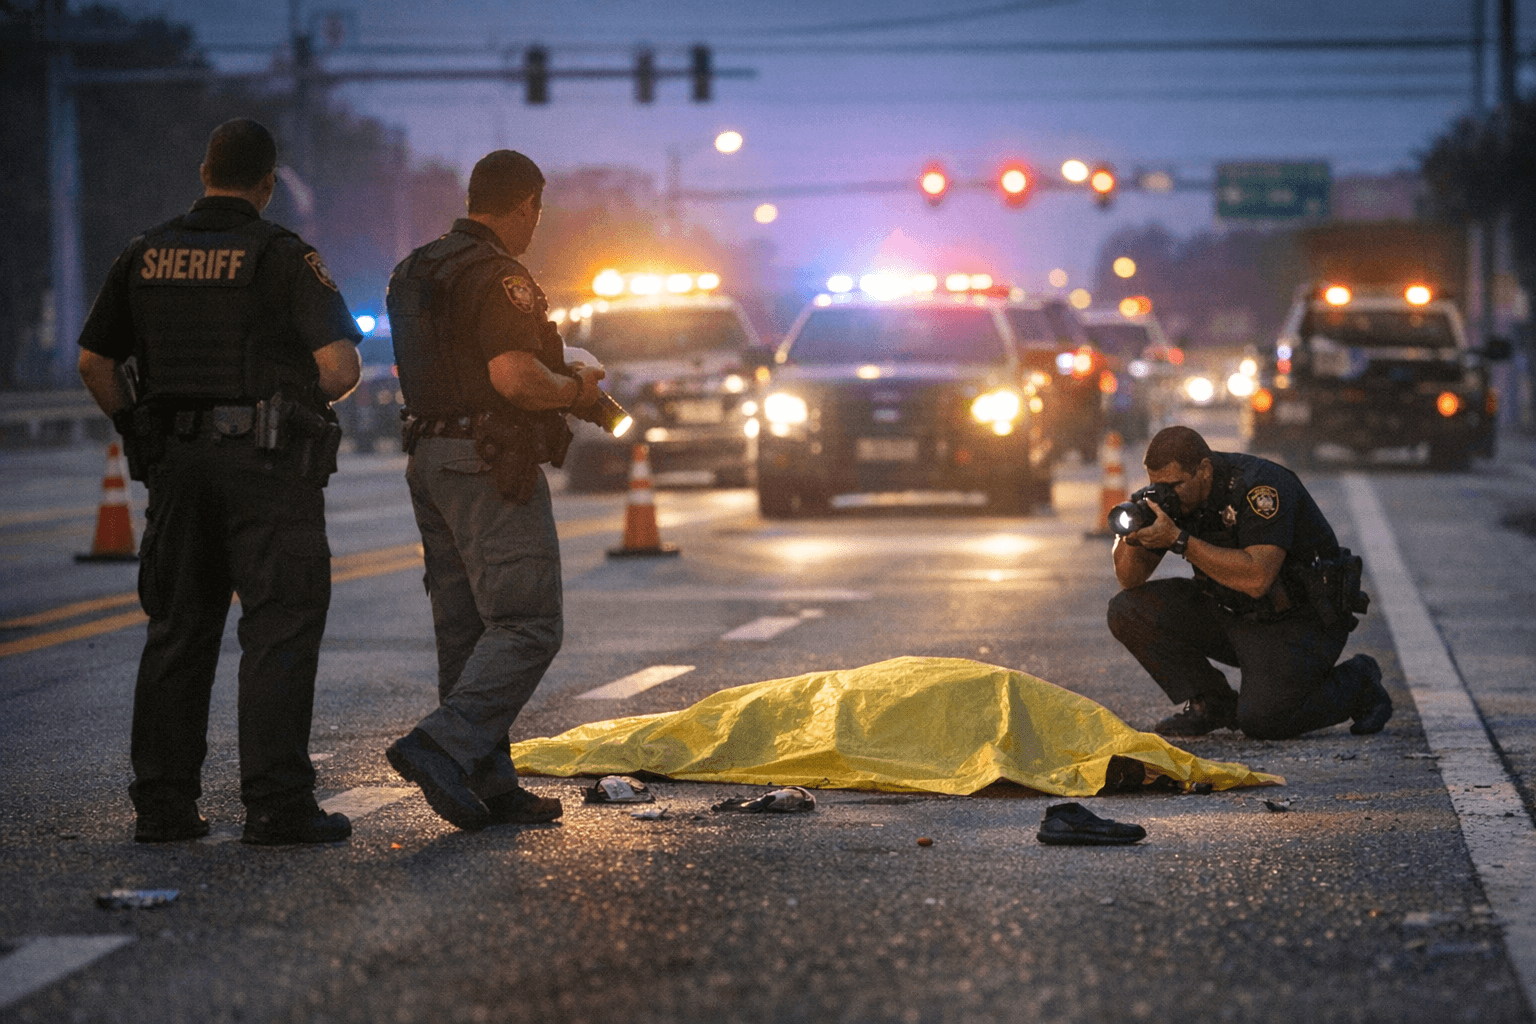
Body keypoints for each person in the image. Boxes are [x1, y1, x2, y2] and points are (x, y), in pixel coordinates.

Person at [76, 118, 363, 844]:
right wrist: (292, 410)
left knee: (177, 629)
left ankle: (164, 807)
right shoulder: (281, 258)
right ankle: (276, 806)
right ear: (267, 184)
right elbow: (340, 369)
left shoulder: (142, 255)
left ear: (204, 174)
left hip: (175, 469)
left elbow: (94, 363)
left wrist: (139, 429)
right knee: (278, 627)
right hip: (267, 472)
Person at [383, 150, 607, 830]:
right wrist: (574, 389)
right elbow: (513, 378)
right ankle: (440, 747)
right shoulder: (500, 276)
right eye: (537, 211)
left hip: (429, 455)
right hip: (487, 459)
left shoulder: (415, 268)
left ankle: (490, 783)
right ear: (524, 205)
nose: (536, 224)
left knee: (467, 629)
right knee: (528, 622)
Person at [1106, 425, 1392, 740]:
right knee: (1127, 609)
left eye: (1173, 485)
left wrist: (1179, 540)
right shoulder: (1172, 499)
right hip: (1235, 613)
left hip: (1300, 623)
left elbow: (1258, 578)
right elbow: (1129, 579)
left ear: (1203, 471)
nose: (1164, 494)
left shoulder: (1260, 487)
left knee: (1264, 721)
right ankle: (1213, 703)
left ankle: (1358, 684)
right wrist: (1133, 535)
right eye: (1155, 485)